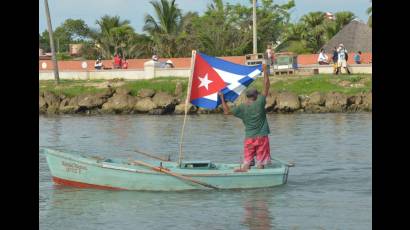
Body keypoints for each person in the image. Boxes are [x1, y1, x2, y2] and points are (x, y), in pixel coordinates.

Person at [219, 64, 271, 171]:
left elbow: (226, 112)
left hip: (249, 138)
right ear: (256, 96)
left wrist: (222, 98)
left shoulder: (241, 108)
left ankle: (245, 168)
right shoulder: (260, 102)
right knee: (261, 162)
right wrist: (265, 70)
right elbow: (266, 85)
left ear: (247, 97)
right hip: (261, 137)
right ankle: (260, 174)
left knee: (247, 161)